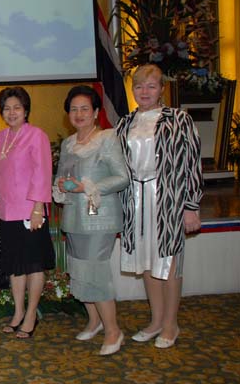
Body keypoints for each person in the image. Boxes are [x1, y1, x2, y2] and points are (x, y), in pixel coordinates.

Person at [116, 64, 203, 349]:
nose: (144, 91)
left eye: (151, 86)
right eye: (139, 86)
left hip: (167, 200)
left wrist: (191, 206)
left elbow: (192, 164)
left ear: (162, 89)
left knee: (168, 262)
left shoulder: (179, 119)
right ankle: (155, 321)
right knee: (145, 263)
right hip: (135, 201)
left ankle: (170, 324)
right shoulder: (124, 123)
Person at [53, 86, 129, 355]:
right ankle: (94, 321)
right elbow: (61, 177)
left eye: (85, 108)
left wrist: (88, 186)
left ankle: (113, 331)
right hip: (74, 218)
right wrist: (60, 185)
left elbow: (122, 177)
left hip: (100, 219)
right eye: (74, 109)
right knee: (79, 270)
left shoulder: (107, 138)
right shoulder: (68, 144)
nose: (79, 114)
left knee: (96, 272)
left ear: (96, 112)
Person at [0, 86, 55, 339]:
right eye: (6, 108)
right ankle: (18, 313)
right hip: (7, 212)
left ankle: (31, 315)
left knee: (33, 265)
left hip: (31, 211)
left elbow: (42, 171)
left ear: (26, 110)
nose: (12, 112)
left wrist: (38, 207)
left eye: (17, 107)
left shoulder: (36, 135)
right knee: (15, 266)